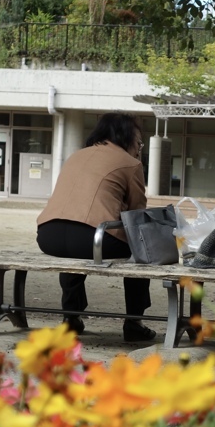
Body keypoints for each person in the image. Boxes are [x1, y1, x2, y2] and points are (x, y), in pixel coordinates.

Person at [36, 111, 156, 344]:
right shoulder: (130, 163)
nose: (138, 148)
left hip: (48, 235)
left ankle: (71, 317)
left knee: (74, 252)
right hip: (93, 238)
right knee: (140, 248)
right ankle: (134, 322)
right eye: (138, 142)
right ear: (126, 137)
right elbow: (137, 215)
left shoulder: (76, 156)